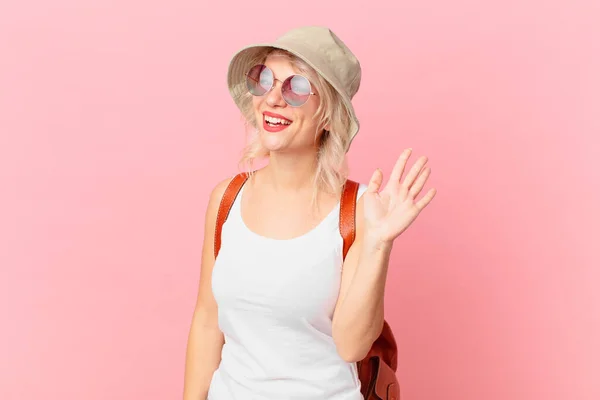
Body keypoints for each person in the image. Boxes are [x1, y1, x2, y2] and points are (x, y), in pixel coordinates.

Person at [183, 26, 436, 400]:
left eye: (297, 88)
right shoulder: (227, 199)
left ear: (330, 117)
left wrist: (379, 244)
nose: (272, 99)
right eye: (265, 79)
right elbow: (207, 323)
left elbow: (352, 346)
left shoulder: (361, 211)